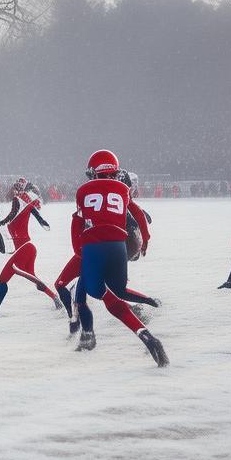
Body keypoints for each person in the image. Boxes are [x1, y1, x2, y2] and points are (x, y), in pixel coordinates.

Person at [71, 150, 168, 366]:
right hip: (118, 246)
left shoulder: (84, 191)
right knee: (118, 290)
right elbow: (139, 213)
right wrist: (147, 239)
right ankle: (148, 307)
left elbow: (77, 222)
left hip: (95, 245)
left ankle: (140, 336)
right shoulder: (123, 189)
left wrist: (79, 250)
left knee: (96, 295)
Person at [0, 180, 59, 317]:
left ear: (18, 190)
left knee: (3, 277)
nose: (11, 192)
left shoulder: (17, 201)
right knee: (33, 278)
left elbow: (12, 215)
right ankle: (56, 298)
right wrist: (42, 222)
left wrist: (0, 222)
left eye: (13, 189)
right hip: (28, 248)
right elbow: (34, 212)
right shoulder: (25, 204)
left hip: (25, 248)